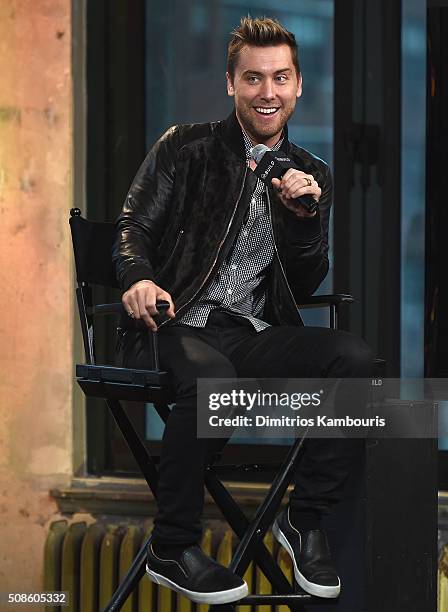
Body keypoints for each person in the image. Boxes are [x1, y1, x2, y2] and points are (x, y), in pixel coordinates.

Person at [113, 16, 373, 605]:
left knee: (354, 359)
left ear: (299, 85)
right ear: (231, 84)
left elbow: (306, 281)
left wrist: (302, 216)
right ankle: (173, 546)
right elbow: (134, 228)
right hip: (171, 323)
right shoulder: (186, 147)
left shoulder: (313, 175)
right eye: (252, 78)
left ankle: (305, 520)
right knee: (213, 381)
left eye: (280, 78)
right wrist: (138, 279)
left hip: (249, 330)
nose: (267, 92)